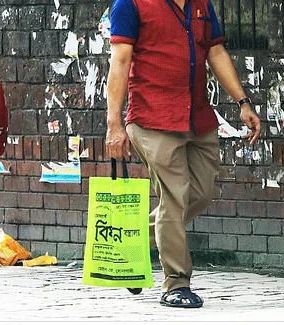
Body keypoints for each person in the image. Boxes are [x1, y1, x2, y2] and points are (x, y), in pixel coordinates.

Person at [105, 0, 261, 308]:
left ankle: (130, 246)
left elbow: (215, 52)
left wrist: (243, 102)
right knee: (175, 197)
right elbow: (120, 62)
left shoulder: (201, 4)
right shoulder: (130, 4)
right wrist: (114, 124)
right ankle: (176, 283)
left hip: (197, 119)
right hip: (152, 119)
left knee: (199, 194)